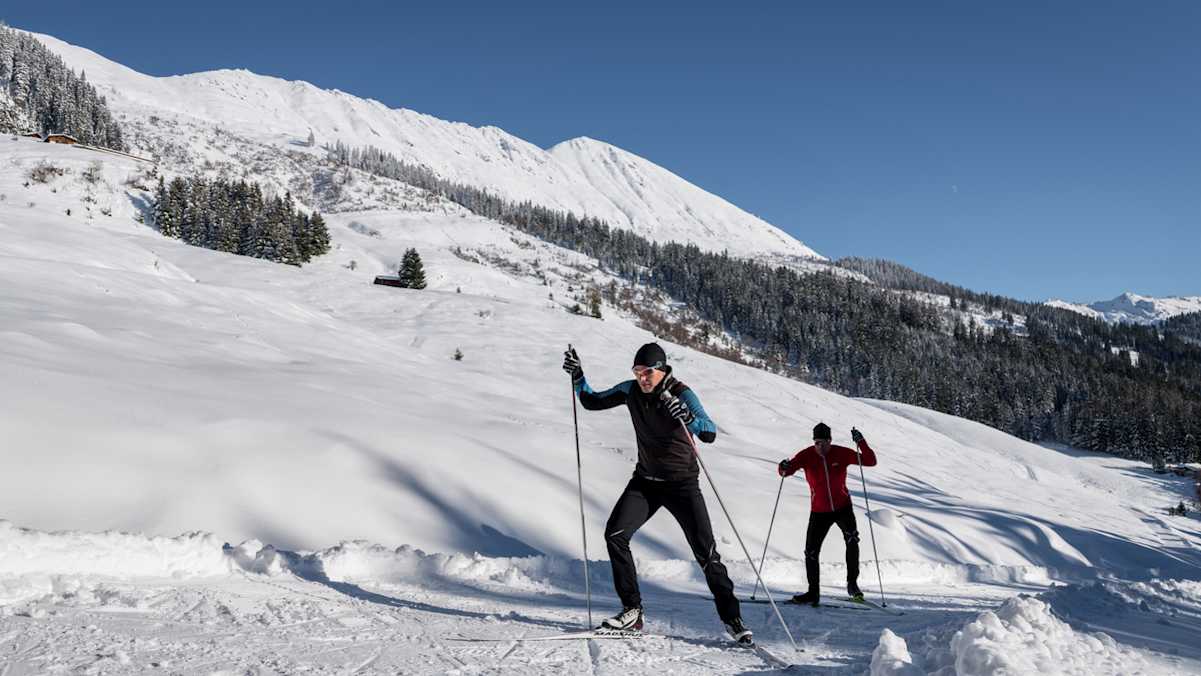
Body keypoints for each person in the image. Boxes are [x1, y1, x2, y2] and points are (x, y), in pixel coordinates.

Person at [563, 343, 753, 645]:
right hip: (646, 482)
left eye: (647, 372)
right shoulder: (630, 391)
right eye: (637, 372)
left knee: (706, 554)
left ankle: (733, 619)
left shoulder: (681, 393)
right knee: (615, 534)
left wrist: (688, 417)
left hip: (682, 484)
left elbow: (709, 431)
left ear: (662, 369)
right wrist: (578, 376)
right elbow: (591, 401)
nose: (642, 378)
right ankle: (632, 611)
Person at [776, 422, 877, 605]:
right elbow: (786, 471)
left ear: (830, 441)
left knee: (852, 540)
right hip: (819, 511)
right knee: (811, 552)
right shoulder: (806, 455)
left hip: (843, 508)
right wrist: (782, 466)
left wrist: (861, 441)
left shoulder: (841, 453)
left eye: (823, 442)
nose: (820, 447)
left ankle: (852, 584)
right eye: (817, 443)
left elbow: (870, 461)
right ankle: (813, 593)